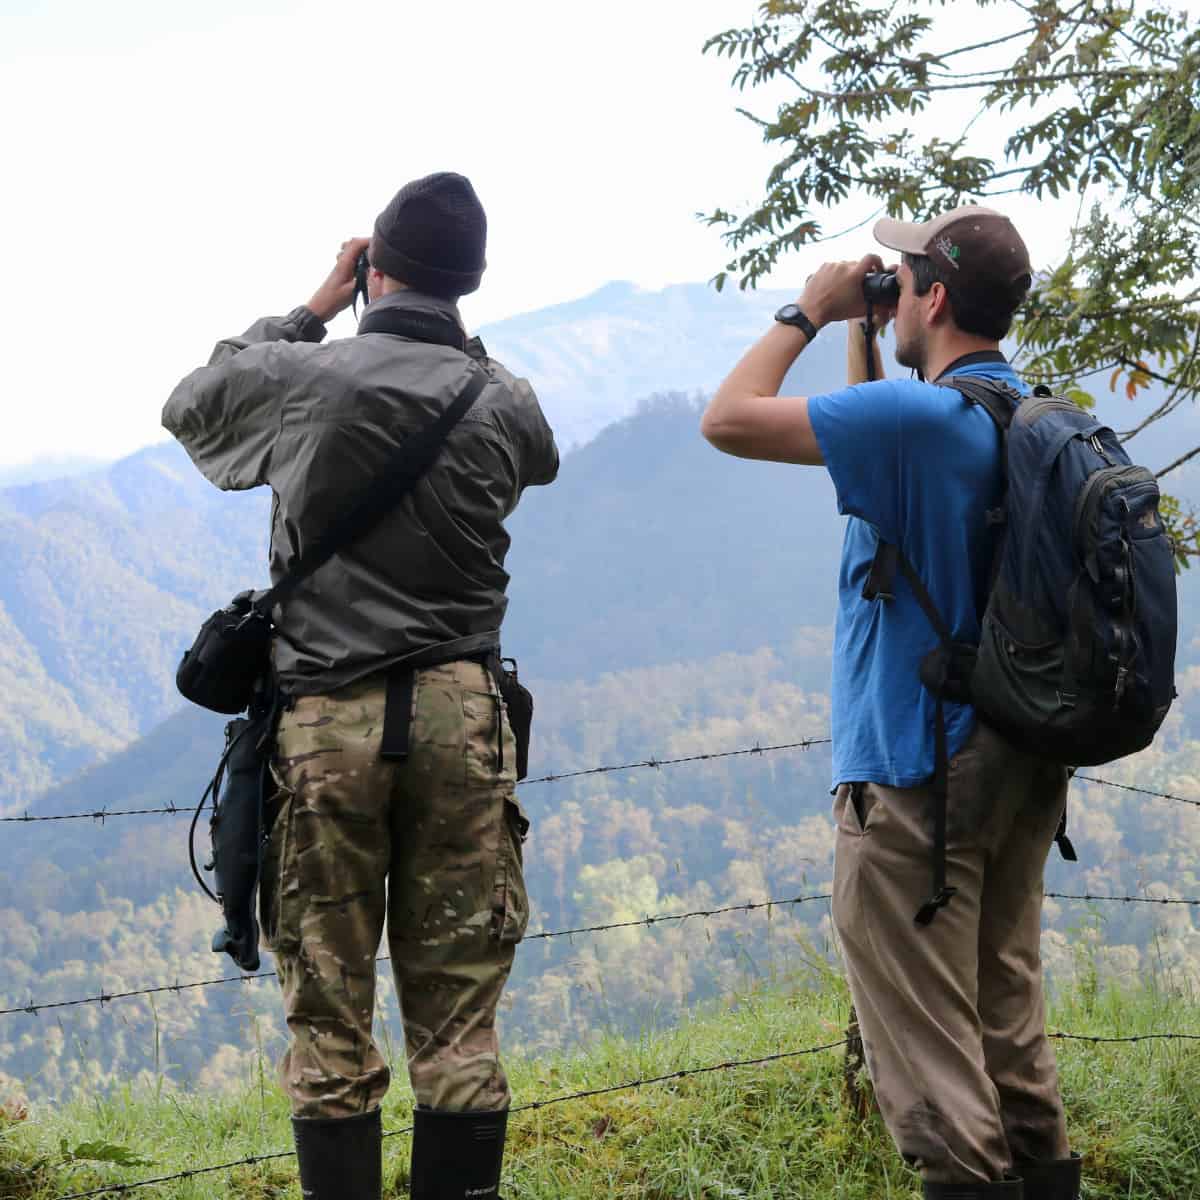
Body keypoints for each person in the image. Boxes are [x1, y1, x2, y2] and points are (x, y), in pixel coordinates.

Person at [163, 172, 559, 1200]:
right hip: (464, 719)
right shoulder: (503, 398)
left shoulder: (310, 375)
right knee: (461, 1018)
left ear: (370, 269)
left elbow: (191, 404)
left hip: (326, 724)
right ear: (469, 285)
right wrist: (450, 336)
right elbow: (541, 458)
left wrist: (312, 307)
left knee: (329, 1016)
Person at [700, 207, 1081, 1200]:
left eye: (904, 280)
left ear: (938, 297)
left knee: (929, 1057)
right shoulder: (1011, 413)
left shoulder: (921, 421)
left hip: (917, 774)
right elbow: (878, 457)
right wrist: (872, 333)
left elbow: (728, 418)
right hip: (1017, 758)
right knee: (1006, 1021)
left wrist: (811, 313)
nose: (892, 291)